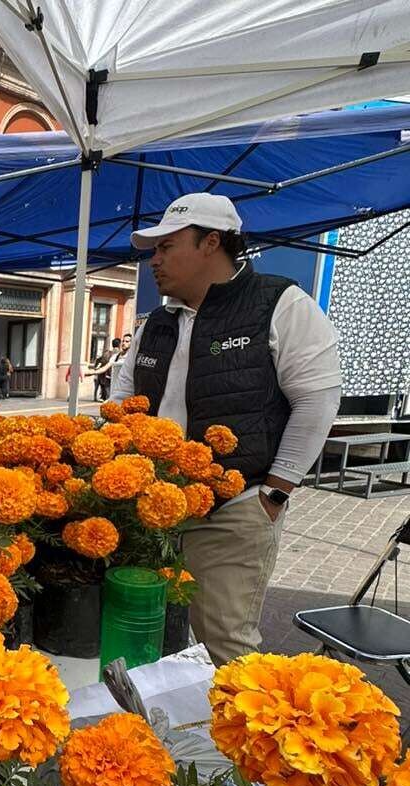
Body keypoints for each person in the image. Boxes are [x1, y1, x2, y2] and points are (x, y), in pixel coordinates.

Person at [113, 193, 341, 665]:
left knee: (223, 641)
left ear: (210, 243)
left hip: (233, 508)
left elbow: (317, 400)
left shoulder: (279, 304)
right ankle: (151, 732)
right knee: (142, 625)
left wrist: (275, 493)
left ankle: (240, 734)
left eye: (166, 247)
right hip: (152, 507)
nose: (153, 260)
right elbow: (120, 402)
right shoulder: (156, 322)